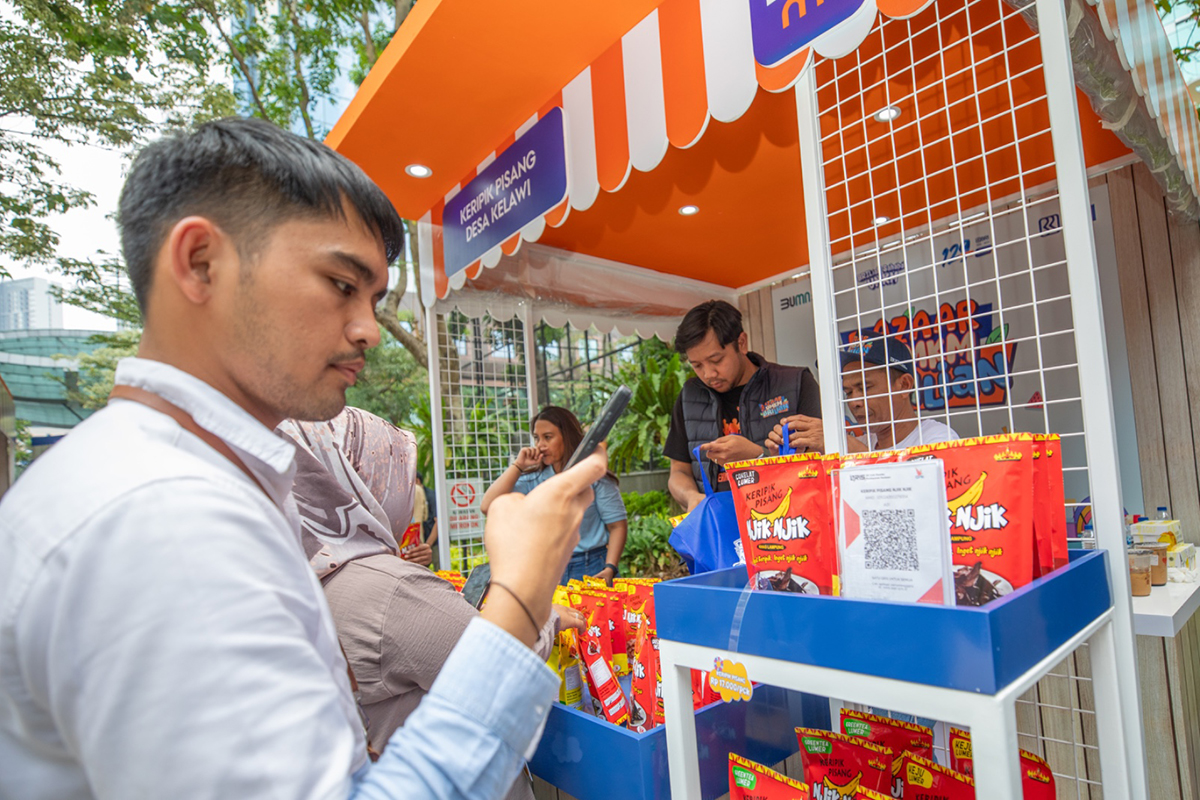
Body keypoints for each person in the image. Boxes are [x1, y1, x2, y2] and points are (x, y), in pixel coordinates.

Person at [0, 116, 606, 800]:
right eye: (341, 284)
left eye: (374, 298)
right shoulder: (163, 516)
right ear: (201, 262)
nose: (369, 330)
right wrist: (524, 591)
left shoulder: (177, 482)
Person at [280, 407, 584, 800]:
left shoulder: (305, 582)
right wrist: (545, 614)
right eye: (393, 477)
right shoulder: (390, 590)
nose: (404, 496)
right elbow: (496, 664)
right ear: (356, 482)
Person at [664, 300, 822, 511]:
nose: (709, 374)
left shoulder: (795, 383)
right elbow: (678, 471)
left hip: (786, 526)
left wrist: (757, 456)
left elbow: (819, 464)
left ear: (741, 343)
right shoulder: (689, 395)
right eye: (697, 365)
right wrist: (691, 497)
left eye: (716, 360)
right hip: (718, 529)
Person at [481, 406, 627, 584]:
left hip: (591, 566)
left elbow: (617, 526)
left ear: (567, 436)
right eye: (536, 438)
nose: (540, 445)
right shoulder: (533, 478)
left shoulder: (594, 477)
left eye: (547, 437)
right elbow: (488, 506)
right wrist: (518, 466)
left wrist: (609, 568)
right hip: (548, 569)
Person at [768, 336, 958, 454]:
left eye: (865, 387)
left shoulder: (938, 440)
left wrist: (852, 451)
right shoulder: (861, 443)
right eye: (848, 392)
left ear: (904, 385)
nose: (854, 402)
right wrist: (795, 455)